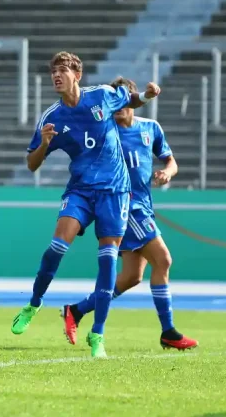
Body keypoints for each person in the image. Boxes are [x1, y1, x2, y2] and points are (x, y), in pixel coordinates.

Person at [11, 51, 161, 358]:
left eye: (63, 70)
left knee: (107, 260)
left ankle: (97, 335)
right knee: (57, 245)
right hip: (80, 191)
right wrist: (44, 144)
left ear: (77, 75)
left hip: (115, 192)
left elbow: (128, 101)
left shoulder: (102, 96)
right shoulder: (51, 117)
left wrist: (145, 95)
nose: (57, 75)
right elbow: (31, 164)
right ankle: (34, 303)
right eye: (54, 71)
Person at [62, 77, 197, 351]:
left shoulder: (150, 128)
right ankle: (168, 331)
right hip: (124, 206)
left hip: (145, 206)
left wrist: (167, 173)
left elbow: (170, 160)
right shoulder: (104, 133)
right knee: (163, 260)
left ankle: (76, 311)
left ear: (131, 99)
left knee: (132, 276)